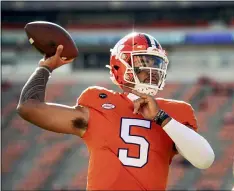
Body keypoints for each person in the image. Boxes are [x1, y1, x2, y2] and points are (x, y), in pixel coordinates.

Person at [17, 32, 214, 190]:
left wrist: (161, 117)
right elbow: (29, 108)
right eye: (144, 62)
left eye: (156, 63)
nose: (153, 70)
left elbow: (205, 160)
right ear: (120, 65)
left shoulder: (174, 112)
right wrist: (45, 68)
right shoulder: (98, 102)